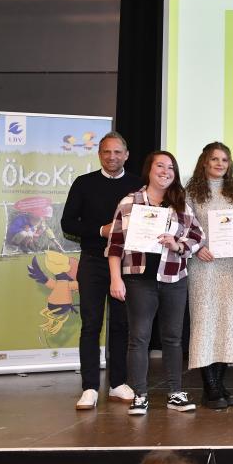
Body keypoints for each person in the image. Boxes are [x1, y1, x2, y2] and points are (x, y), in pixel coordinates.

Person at [107, 151, 203, 416]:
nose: (165, 171)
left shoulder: (180, 203)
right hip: (139, 280)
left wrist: (178, 244)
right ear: (149, 169)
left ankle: (175, 393)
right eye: (160, 166)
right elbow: (115, 244)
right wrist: (116, 278)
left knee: (173, 338)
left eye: (171, 167)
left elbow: (198, 236)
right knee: (138, 339)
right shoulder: (130, 202)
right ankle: (139, 394)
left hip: (174, 278)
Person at [61, 131, 142, 410]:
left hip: (126, 264)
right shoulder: (84, 183)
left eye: (118, 152)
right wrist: (100, 230)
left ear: (126, 155)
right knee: (91, 324)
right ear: (99, 154)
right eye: (107, 152)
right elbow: (68, 223)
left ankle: (118, 383)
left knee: (121, 325)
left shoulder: (137, 185)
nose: (112, 157)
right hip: (93, 261)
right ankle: (90, 387)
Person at [185, 142, 233, 410]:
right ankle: (210, 386)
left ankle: (219, 384)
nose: (220, 164)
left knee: (228, 322)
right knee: (204, 322)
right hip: (203, 265)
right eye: (215, 159)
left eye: (225, 159)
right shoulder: (190, 193)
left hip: (232, 266)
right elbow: (182, 225)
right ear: (204, 162)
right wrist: (198, 247)